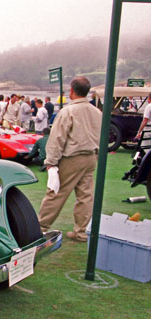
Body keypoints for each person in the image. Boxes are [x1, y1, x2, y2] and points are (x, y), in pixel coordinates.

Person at [38, 76, 102, 242]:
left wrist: (50, 162)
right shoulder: (97, 112)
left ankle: (41, 227)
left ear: (72, 91)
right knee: (85, 196)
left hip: (72, 157)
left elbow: (57, 138)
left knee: (56, 192)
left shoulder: (68, 111)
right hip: (91, 156)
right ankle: (80, 232)